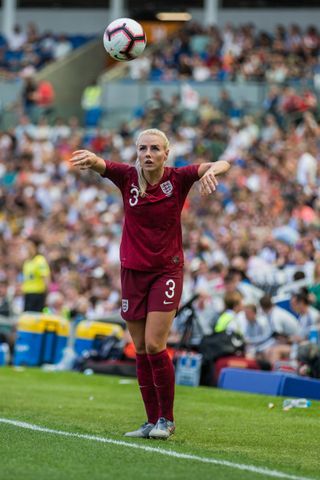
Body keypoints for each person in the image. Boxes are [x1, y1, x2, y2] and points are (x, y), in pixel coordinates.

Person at [70, 128, 230, 439]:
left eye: (155, 148)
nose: (148, 154)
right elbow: (103, 164)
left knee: (156, 345)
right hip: (132, 273)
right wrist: (92, 160)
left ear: (166, 153)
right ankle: (150, 420)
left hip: (165, 273)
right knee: (140, 349)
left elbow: (222, 163)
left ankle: (166, 420)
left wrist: (214, 172)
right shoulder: (128, 177)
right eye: (143, 148)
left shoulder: (178, 178)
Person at [21, 237, 51, 312]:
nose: (28, 248)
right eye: (27, 246)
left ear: (36, 247)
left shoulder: (40, 260)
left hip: (37, 295)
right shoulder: (27, 262)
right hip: (28, 294)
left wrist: (46, 296)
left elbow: (46, 278)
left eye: (30, 246)